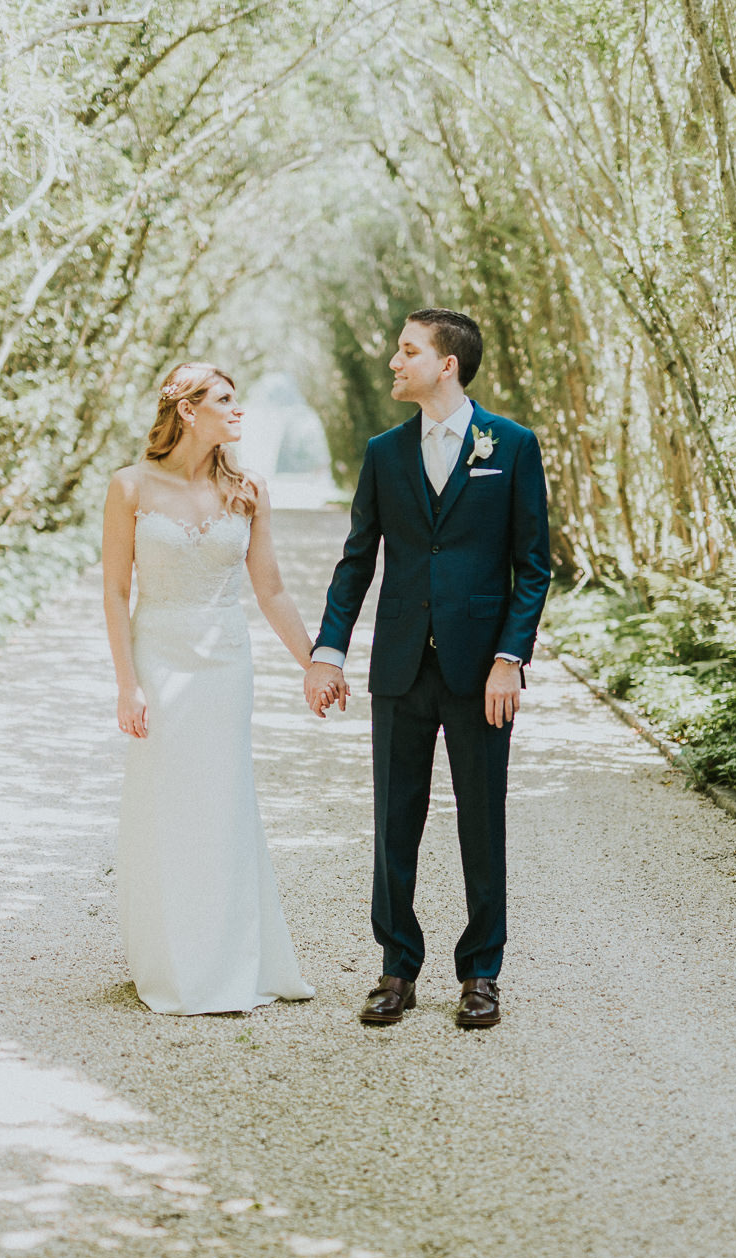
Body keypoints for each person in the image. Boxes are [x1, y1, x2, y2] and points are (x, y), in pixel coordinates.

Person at [303, 309, 551, 1028]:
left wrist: (510, 660)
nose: (392, 361)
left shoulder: (511, 444)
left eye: (407, 351)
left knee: (482, 821)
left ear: (447, 364)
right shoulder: (383, 451)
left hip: (481, 673)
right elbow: (358, 560)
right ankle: (396, 969)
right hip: (401, 666)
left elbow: (532, 568)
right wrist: (328, 651)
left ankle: (481, 973)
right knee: (394, 823)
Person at [101, 362, 318, 1015]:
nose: (238, 411)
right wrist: (127, 685)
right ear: (188, 410)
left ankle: (233, 958)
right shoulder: (130, 487)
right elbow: (114, 592)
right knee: (168, 808)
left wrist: (316, 661)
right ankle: (172, 959)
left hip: (225, 664)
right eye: (225, 400)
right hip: (160, 661)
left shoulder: (248, 489)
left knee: (223, 805)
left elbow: (271, 589)